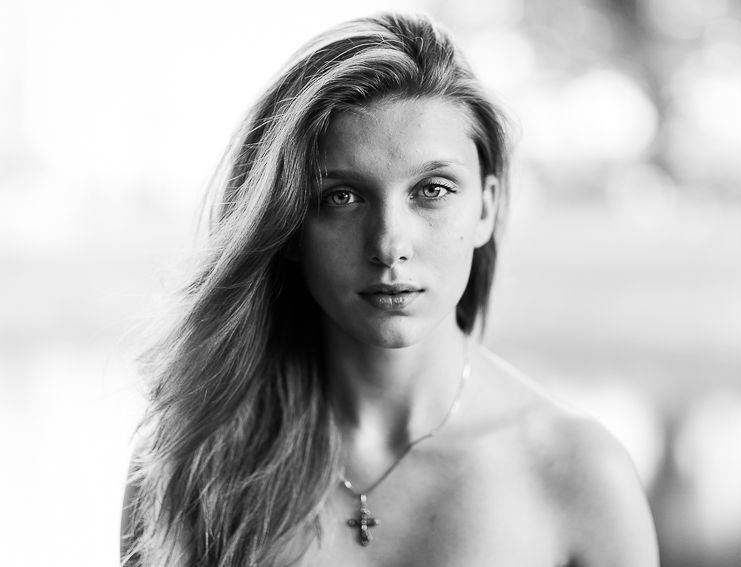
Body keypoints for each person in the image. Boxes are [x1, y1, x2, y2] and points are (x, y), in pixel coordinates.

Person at [121, 12, 658, 567]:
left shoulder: (578, 474)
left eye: (432, 190)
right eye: (342, 197)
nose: (389, 244)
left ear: (486, 208)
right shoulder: (189, 462)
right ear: (289, 225)